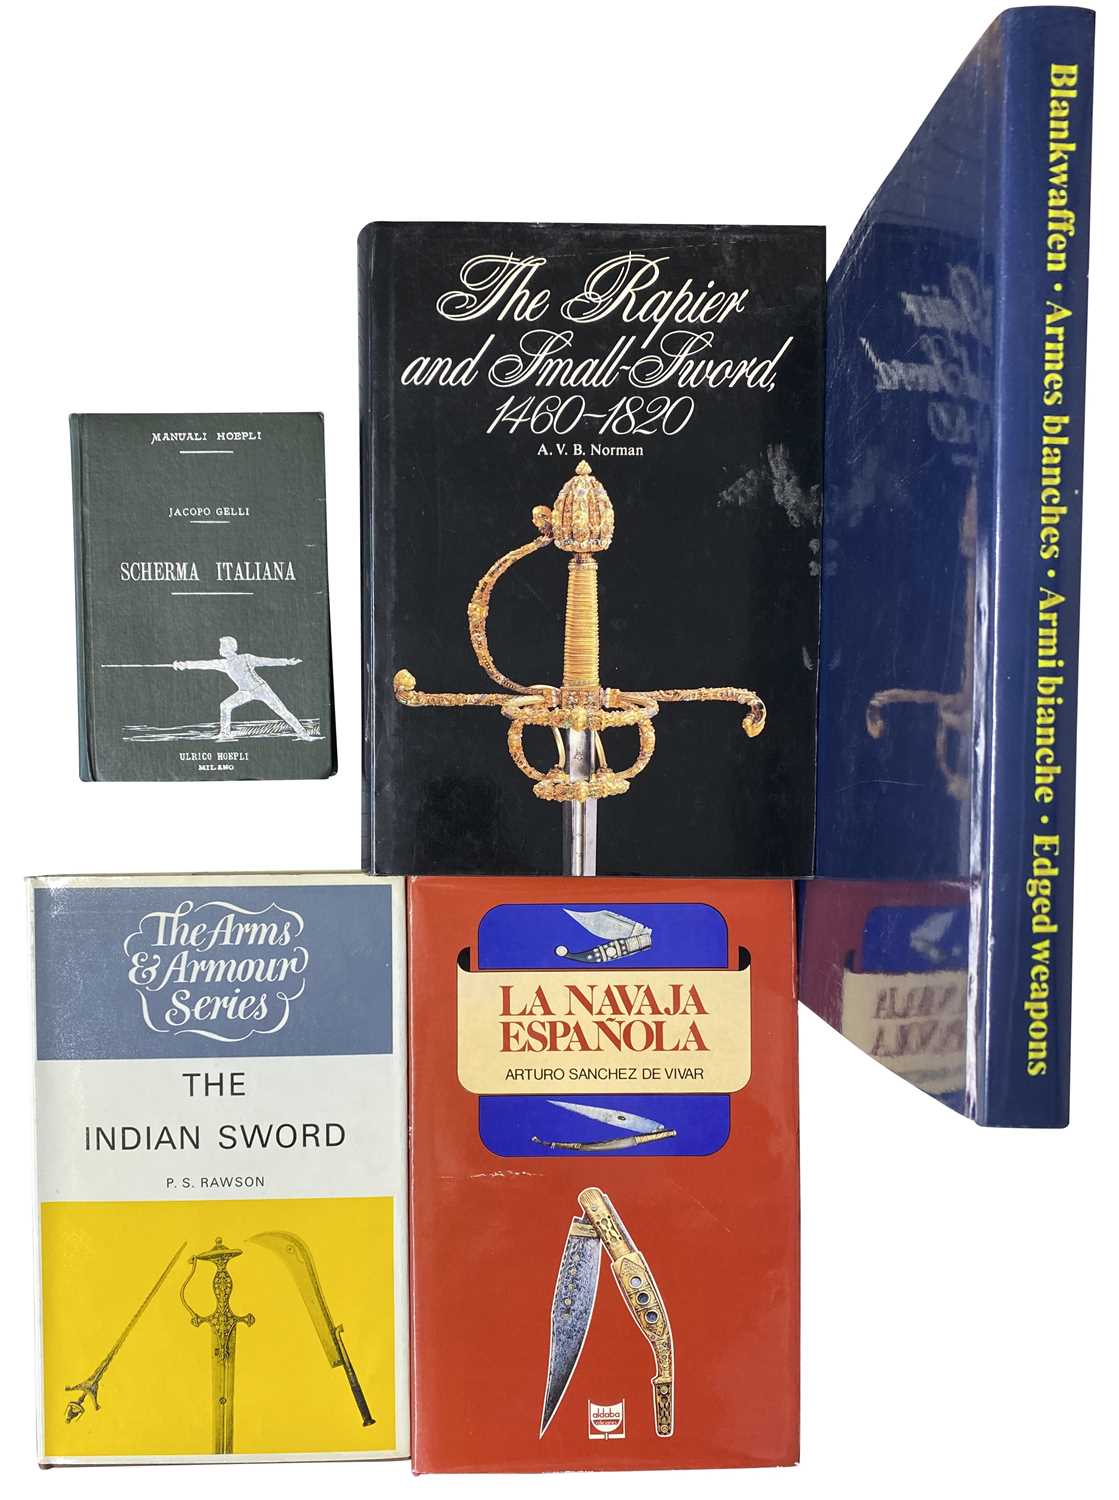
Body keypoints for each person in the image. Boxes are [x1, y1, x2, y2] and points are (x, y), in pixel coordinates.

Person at [173, 636, 313, 741]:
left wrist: (287, 662)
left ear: (230, 647)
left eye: (222, 645)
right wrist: (183, 665)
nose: (220, 648)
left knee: (281, 710)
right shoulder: (224, 664)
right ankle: (225, 734)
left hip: (261, 689)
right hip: (245, 692)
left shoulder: (246, 658)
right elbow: (204, 664)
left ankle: (303, 733)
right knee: (225, 705)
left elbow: (267, 661)